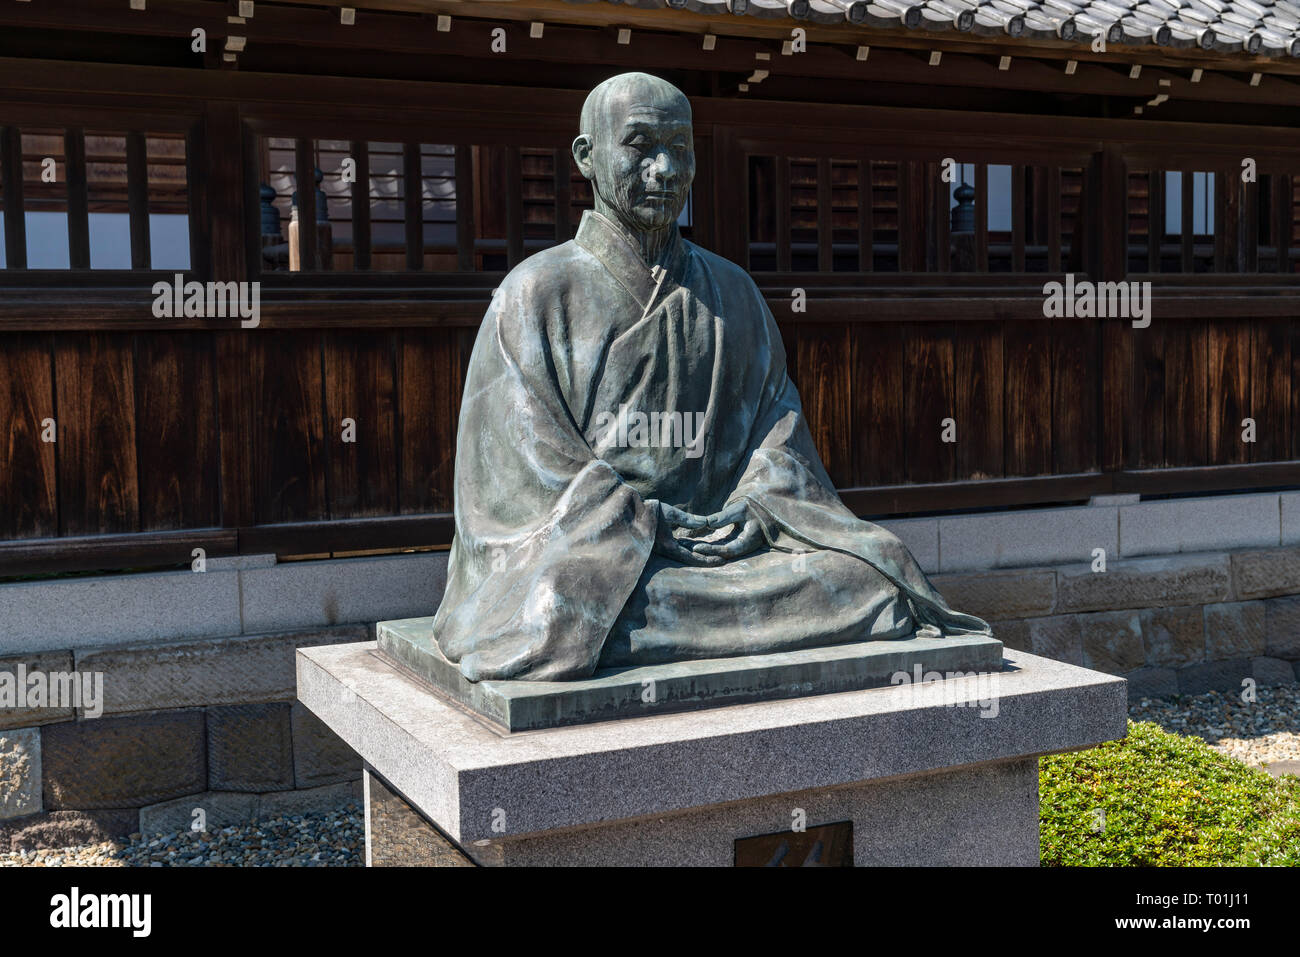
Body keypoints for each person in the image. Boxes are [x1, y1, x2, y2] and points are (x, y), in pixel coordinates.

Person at [432, 72, 990, 681]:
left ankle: (663, 624)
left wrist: (756, 506)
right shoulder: (535, 293)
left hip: (725, 548)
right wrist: (641, 521)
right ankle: (631, 616)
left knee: (872, 573)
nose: (665, 169)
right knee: (559, 605)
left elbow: (778, 436)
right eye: (641, 144)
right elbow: (520, 472)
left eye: (681, 147)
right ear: (587, 156)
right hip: (605, 550)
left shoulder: (734, 292)